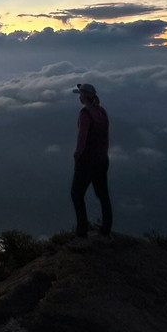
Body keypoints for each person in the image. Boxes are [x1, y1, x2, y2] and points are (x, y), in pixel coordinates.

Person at [71, 83, 112, 239]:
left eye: (80, 95)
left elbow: (82, 137)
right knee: (103, 195)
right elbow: (105, 136)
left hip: (87, 161)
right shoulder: (102, 112)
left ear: (84, 97)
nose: (79, 97)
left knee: (76, 194)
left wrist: (77, 154)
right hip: (102, 159)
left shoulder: (85, 114)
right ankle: (106, 229)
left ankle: (82, 231)